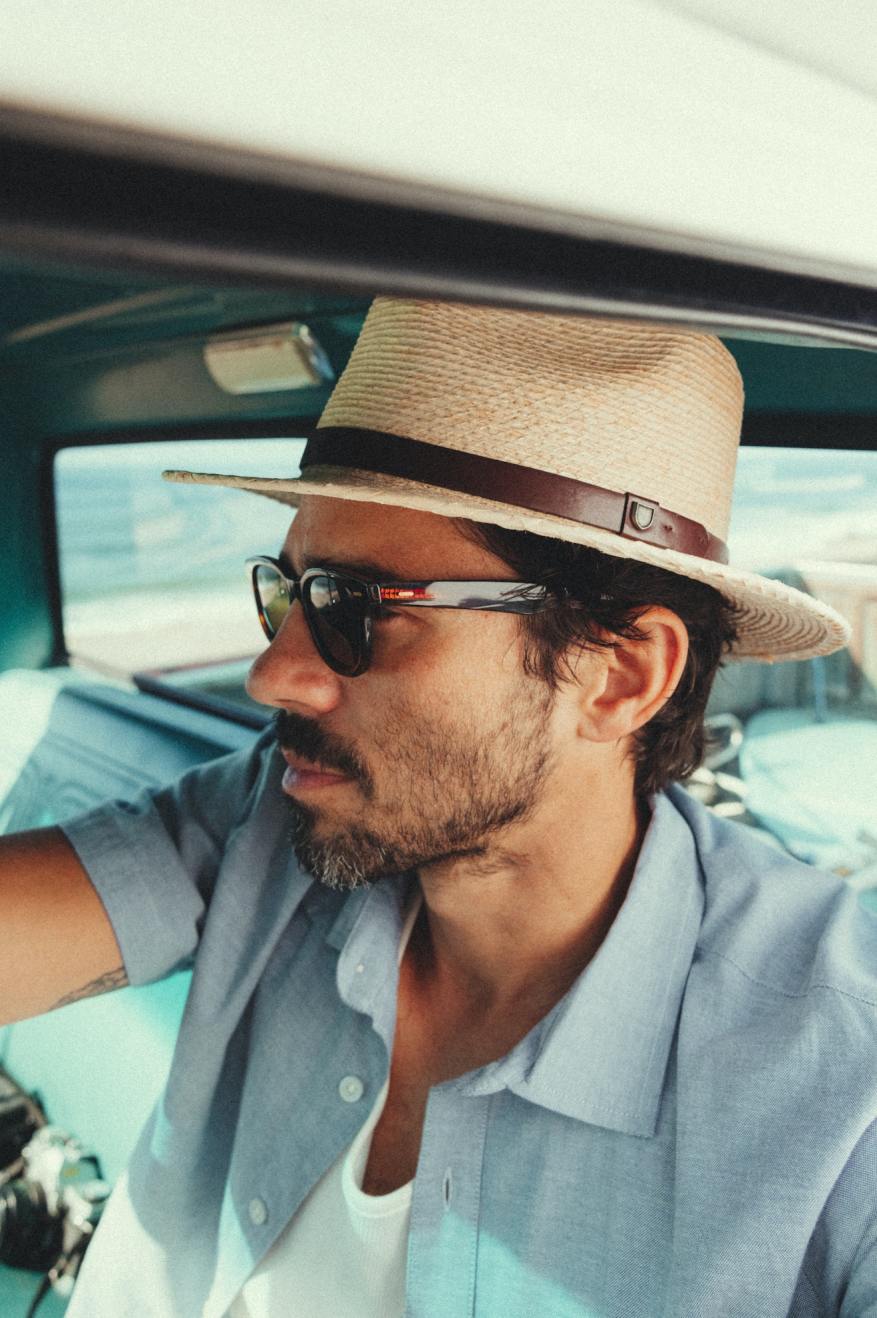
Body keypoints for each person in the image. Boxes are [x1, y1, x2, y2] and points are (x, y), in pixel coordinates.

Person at [2, 298, 875, 1317]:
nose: (272, 675)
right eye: (289, 594)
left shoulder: (840, 1092)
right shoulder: (274, 816)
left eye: (357, 609)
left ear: (618, 676)